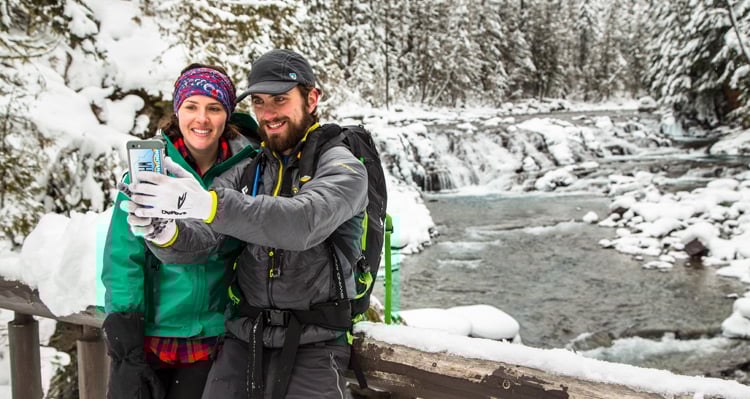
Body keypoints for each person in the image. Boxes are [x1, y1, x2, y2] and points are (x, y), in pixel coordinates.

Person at [121, 49, 368, 398]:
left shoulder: (343, 167)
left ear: (311, 99)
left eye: (280, 99)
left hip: (315, 343)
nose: (268, 114)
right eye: (259, 102)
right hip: (243, 339)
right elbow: (201, 240)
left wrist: (206, 202)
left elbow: (301, 223)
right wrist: (164, 231)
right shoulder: (249, 170)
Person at [101, 63, 258, 399]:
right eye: (191, 106)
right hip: (152, 334)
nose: (201, 119)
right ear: (177, 111)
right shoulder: (147, 173)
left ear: (226, 116)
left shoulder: (248, 172)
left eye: (214, 108)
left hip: (215, 334)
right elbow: (123, 258)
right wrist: (126, 340)